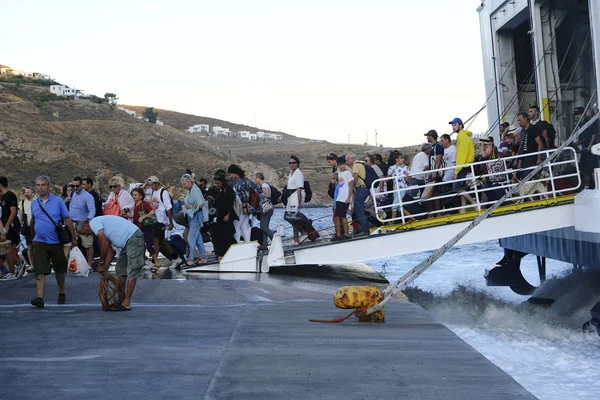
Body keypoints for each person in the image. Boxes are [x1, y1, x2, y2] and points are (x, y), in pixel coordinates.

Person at [77, 216, 144, 311]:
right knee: (120, 269)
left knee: (132, 270)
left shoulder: (94, 224)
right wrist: (105, 268)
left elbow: (105, 244)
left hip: (133, 237)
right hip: (127, 242)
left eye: (84, 233)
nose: (87, 236)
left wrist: (100, 262)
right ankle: (121, 298)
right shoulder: (98, 226)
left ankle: (127, 302)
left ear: (85, 226)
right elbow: (109, 250)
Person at [29, 175, 77, 307]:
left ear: (48, 186)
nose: (41, 187)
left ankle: (61, 292)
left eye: (43, 185)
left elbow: (67, 220)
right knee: (39, 270)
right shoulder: (34, 203)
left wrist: (73, 238)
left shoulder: (57, 201)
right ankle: (40, 297)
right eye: (38, 185)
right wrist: (32, 240)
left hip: (56, 241)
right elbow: (33, 221)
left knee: (59, 269)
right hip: (39, 241)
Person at [227, 164, 264, 243]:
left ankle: (237, 245)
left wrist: (244, 207)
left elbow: (242, 196)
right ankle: (248, 243)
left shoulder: (237, 182)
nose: (230, 176)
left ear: (235, 173)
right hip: (248, 207)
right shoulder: (245, 180)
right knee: (244, 227)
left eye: (230, 174)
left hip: (241, 208)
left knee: (236, 227)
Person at [68, 176, 96, 268]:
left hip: (82, 222)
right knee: (71, 243)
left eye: (77, 186)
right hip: (72, 221)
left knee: (87, 243)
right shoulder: (72, 194)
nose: (75, 188)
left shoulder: (88, 196)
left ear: (81, 185)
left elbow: (92, 209)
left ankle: (89, 264)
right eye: (73, 186)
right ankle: (73, 264)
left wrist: (88, 220)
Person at [144, 176, 173, 261]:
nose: (150, 187)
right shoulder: (153, 191)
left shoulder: (163, 193)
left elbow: (169, 208)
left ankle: (155, 260)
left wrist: (170, 223)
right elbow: (140, 191)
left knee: (155, 239)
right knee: (160, 240)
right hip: (155, 219)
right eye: (149, 185)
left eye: (152, 185)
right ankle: (174, 257)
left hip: (162, 220)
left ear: (157, 183)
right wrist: (145, 184)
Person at [450, 117, 477, 212]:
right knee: (461, 188)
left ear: (460, 125)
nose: (453, 127)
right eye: (452, 125)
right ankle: (463, 208)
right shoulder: (464, 136)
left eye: (455, 125)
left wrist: (456, 170)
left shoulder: (462, 136)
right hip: (466, 165)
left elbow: (462, 155)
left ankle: (473, 202)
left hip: (463, 166)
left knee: (457, 188)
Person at [131, 187, 159, 272]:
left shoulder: (144, 203)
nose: (134, 197)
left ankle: (156, 262)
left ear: (140, 196)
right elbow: (135, 217)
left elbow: (152, 212)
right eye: (133, 195)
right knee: (140, 244)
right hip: (138, 227)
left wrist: (144, 216)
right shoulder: (134, 205)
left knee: (149, 244)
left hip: (147, 226)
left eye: (135, 195)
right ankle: (142, 262)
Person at [181, 174, 206, 266]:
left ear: (190, 182)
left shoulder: (196, 191)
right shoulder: (190, 191)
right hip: (192, 216)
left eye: (184, 184)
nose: (183, 186)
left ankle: (191, 258)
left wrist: (190, 206)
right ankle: (203, 257)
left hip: (196, 217)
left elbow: (201, 205)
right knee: (198, 238)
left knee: (191, 238)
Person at [0, 176, 23, 279]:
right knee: (10, 250)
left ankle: (12, 273)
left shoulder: (10, 195)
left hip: (10, 226)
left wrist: (7, 226)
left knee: (8, 249)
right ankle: (19, 265)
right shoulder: (2, 197)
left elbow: (13, 212)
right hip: (4, 225)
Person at [345, 152, 370, 237]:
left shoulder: (356, 165)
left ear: (352, 159)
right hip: (364, 189)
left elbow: (355, 176)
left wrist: (353, 185)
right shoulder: (361, 164)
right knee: (360, 209)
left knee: (358, 210)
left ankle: (365, 230)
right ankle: (366, 228)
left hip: (361, 188)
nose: (347, 163)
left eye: (347, 160)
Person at [211, 175, 236, 259]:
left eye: (218, 183)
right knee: (220, 234)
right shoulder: (220, 190)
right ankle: (221, 253)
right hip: (220, 216)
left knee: (227, 235)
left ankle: (230, 251)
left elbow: (230, 203)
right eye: (216, 183)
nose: (217, 185)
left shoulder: (228, 190)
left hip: (226, 216)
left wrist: (228, 214)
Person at [574, 108, 599, 189]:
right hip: (584, 148)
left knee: (592, 168)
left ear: (583, 114)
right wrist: (573, 145)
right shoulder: (580, 124)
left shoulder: (590, 121)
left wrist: (590, 145)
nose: (577, 117)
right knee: (584, 168)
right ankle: (587, 186)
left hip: (592, 148)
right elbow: (581, 138)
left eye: (578, 114)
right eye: (576, 115)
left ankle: (597, 186)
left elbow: (594, 134)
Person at [285, 155, 306, 244]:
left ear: (297, 164)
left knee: (294, 217)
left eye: (293, 163)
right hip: (290, 196)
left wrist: (299, 202)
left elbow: (299, 188)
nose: (291, 164)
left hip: (295, 196)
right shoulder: (291, 173)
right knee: (289, 217)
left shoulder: (298, 174)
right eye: (290, 163)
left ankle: (297, 237)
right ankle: (299, 235)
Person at [331, 157, 354, 241]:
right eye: (340, 165)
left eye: (343, 164)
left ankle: (346, 233)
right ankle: (338, 234)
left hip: (345, 198)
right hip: (339, 198)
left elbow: (351, 186)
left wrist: (349, 198)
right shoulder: (338, 174)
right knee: (336, 217)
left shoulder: (348, 173)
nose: (342, 166)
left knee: (343, 216)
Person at [515, 112, 543, 180]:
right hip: (525, 157)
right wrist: (519, 159)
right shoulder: (523, 131)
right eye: (518, 120)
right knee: (524, 175)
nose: (519, 122)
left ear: (525, 119)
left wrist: (538, 157)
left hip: (532, 155)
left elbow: (540, 143)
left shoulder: (532, 129)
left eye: (520, 120)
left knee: (528, 175)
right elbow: (522, 146)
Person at [387, 152, 411, 221]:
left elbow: (410, 179)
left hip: (402, 188)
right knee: (399, 207)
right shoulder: (391, 168)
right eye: (401, 158)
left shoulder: (405, 168)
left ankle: (392, 223)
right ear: (396, 159)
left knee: (394, 206)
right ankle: (413, 219)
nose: (403, 159)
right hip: (395, 189)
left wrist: (407, 175)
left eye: (403, 158)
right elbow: (387, 179)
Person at [254, 173, 274, 249]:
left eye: (256, 179)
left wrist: (258, 195)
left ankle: (275, 239)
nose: (255, 180)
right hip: (267, 208)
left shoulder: (264, 185)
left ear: (259, 178)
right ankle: (264, 244)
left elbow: (267, 195)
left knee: (263, 227)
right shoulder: (263, 185)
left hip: (266, 208)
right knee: (264, 227)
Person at [20, 186, 36, 272]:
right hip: (28, 227)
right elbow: (21, 216)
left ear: (33, 193)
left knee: (38, 246)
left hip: (37, 227)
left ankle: (41, 263)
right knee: (29, 247)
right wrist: (20, 227)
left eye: (28, 192)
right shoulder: (22, 202)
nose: (26, 194)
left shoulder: (37, 201)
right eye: (25, 192)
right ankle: (32, 264)